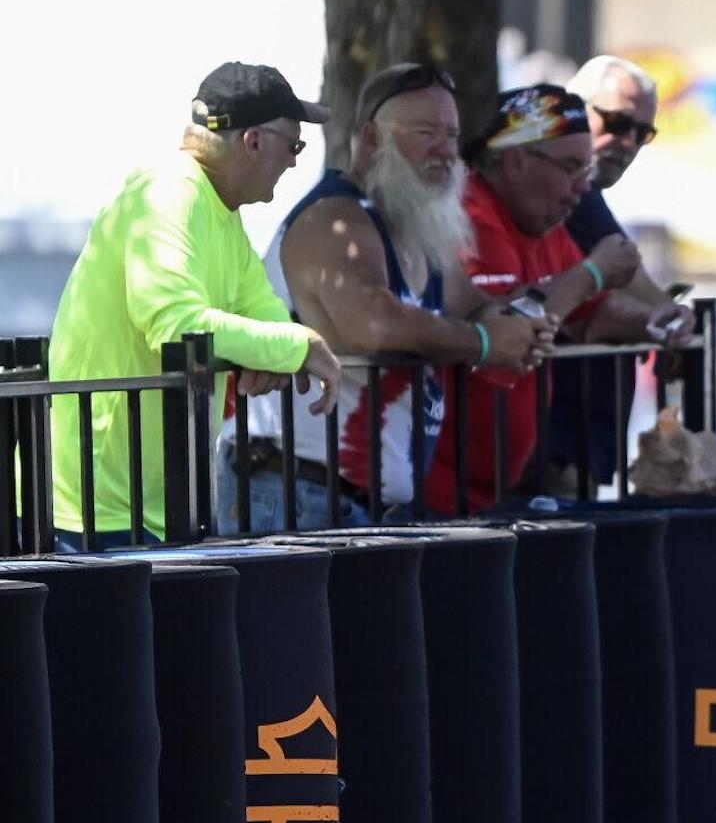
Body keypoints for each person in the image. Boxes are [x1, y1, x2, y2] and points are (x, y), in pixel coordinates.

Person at [227, 62, 551, 531]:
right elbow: (373, 326)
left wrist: (519, 323)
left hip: (354, 501)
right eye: (426, 132)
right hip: (295, 493)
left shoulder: (415, 228)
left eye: (452, 135)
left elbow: (472, 302)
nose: (444, 150)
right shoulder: (334, 219)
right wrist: (483, 343)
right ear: (373, 139)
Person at [46, 62, 343, 547]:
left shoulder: (223, 215)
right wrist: (291, 348)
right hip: (93, 512)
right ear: (253, 142)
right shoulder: (169, 191)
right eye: (294, 145)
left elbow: (263, 314)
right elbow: (176, 325)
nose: (294, 162)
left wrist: (278, 349)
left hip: (154, 509)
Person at [428, 84, 660, 513]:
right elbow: (508, 323)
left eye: (586, 171)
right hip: (442, 493)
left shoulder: (544, 223)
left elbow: (591, 315)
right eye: (571, 167)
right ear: (516, 161)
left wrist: (658, 325)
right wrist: (592, 272)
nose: (581, 188)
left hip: (496, 487)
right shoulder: (471, 213)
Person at [539, 54, 696, 494]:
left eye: (642, 132)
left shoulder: (582, 194)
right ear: (573, 110)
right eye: (615, 121)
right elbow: (624, 273)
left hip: (573, 436)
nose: (627, 141)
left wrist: (663, 320)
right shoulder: (571, 189)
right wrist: (669, 317)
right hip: (552, 432)